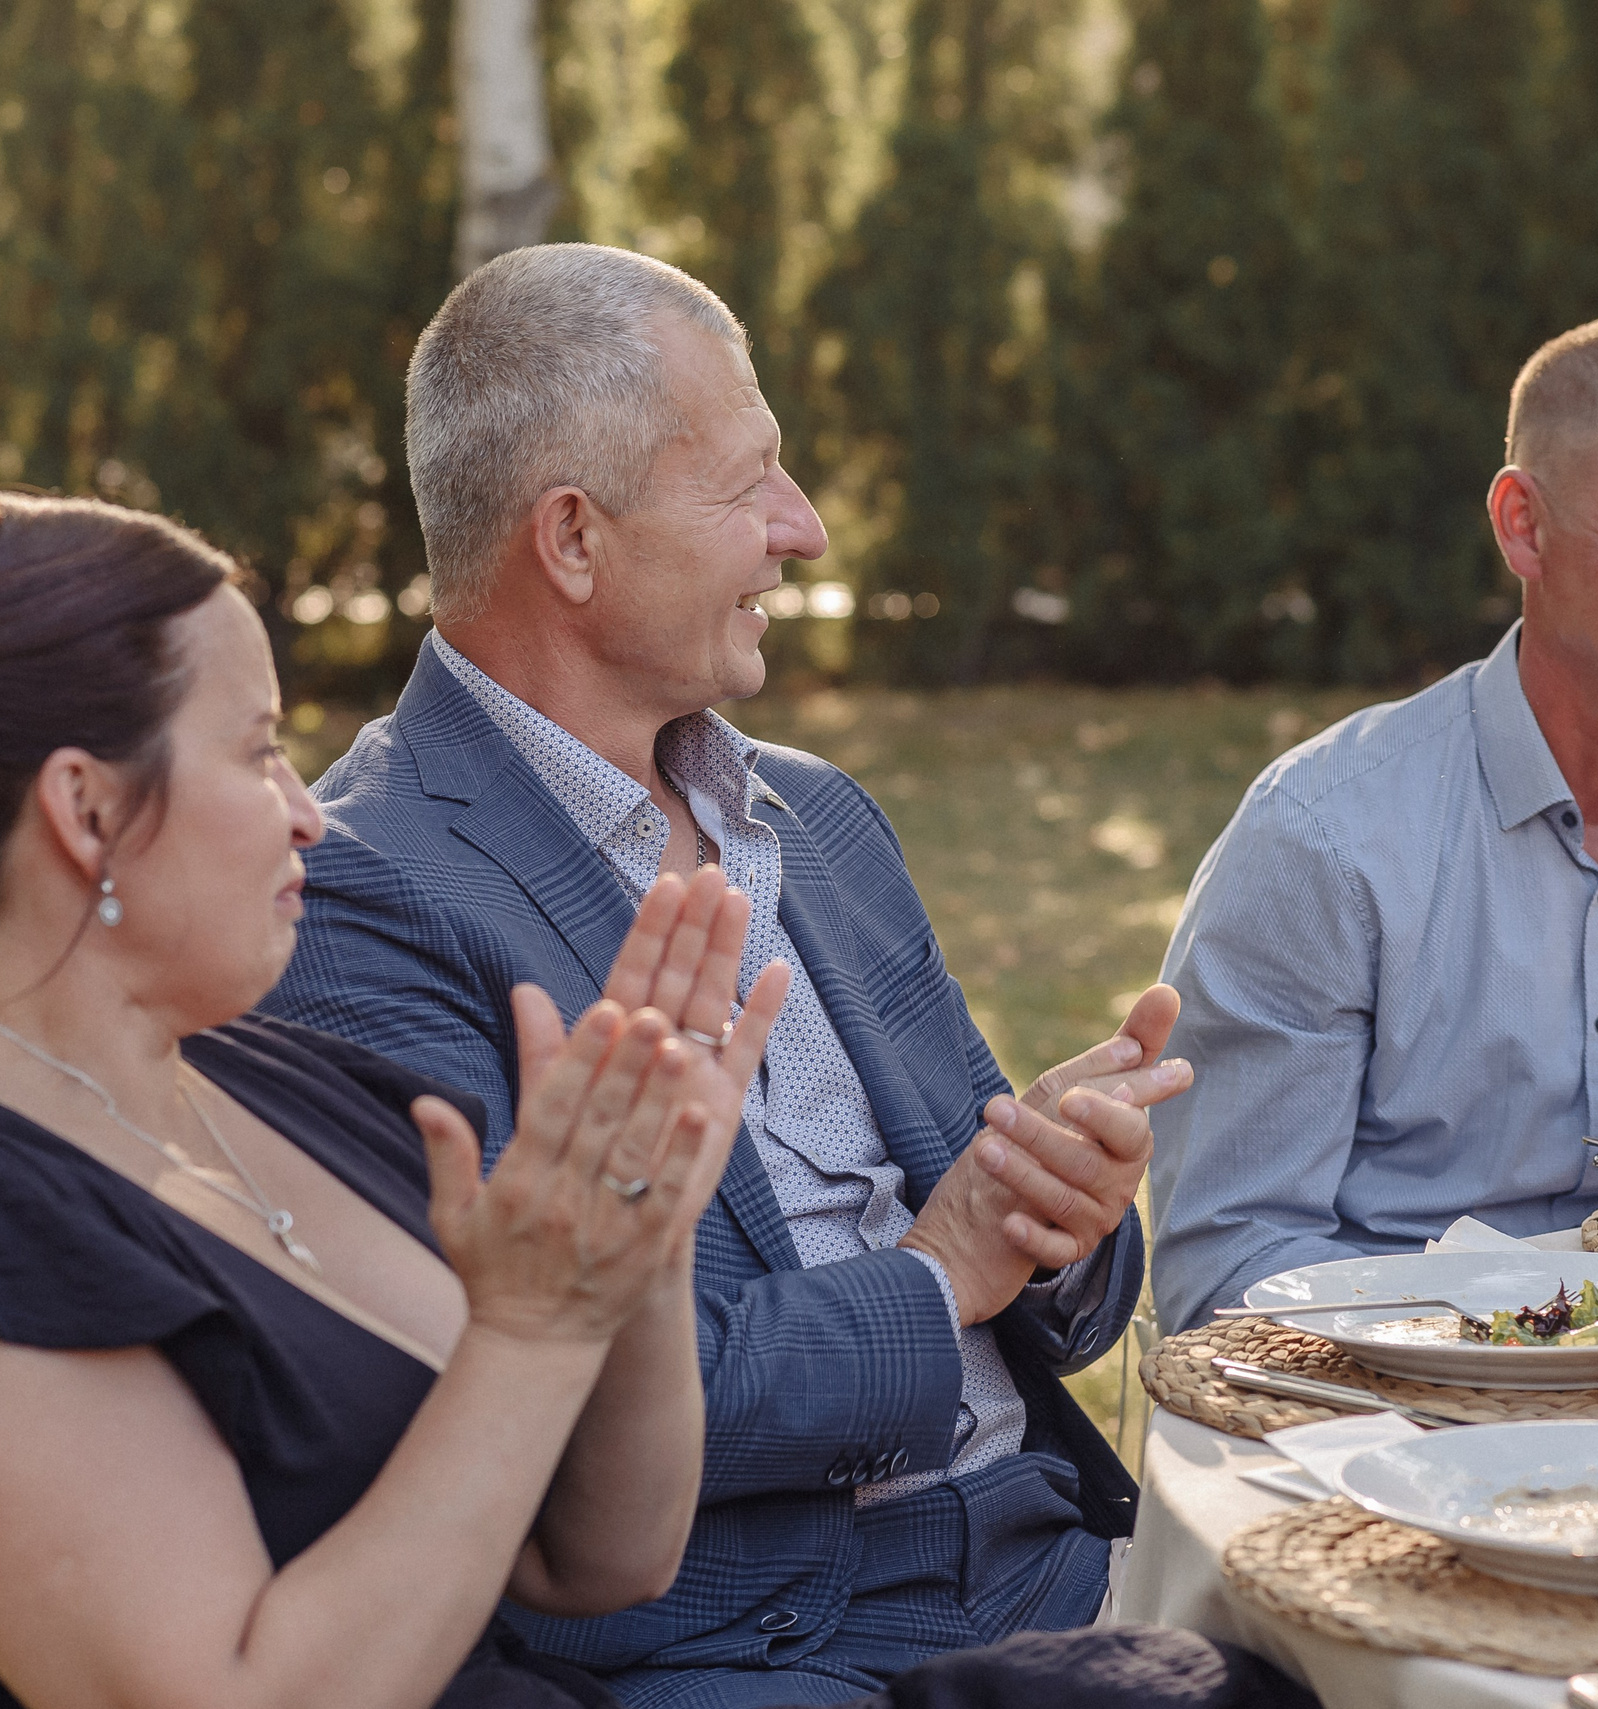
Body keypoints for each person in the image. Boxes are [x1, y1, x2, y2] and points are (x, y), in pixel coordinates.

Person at [0, 487, 1306, 1709]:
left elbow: (595, 1548)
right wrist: (534, 1329)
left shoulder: (261, 1084)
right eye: (255, 751)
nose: (308, 816)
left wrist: (637, 1238)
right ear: (86, 810)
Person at [261, 244, 1188, 1708]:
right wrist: (941, 1273)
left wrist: (1056, 1206)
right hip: (758, 1649)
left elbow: (1001, 1238)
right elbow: (552, 1390)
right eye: (749, 481)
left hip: (1051, 1565)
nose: (803, 530)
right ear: (573, 540)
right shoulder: (360, 899)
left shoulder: (814, 816)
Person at [1147, 314, 1598, 1332]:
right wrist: (1527, 1326)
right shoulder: (1320, 840)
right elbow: (1225, 1270)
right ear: (1523, 526)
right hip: (1373, 1406)